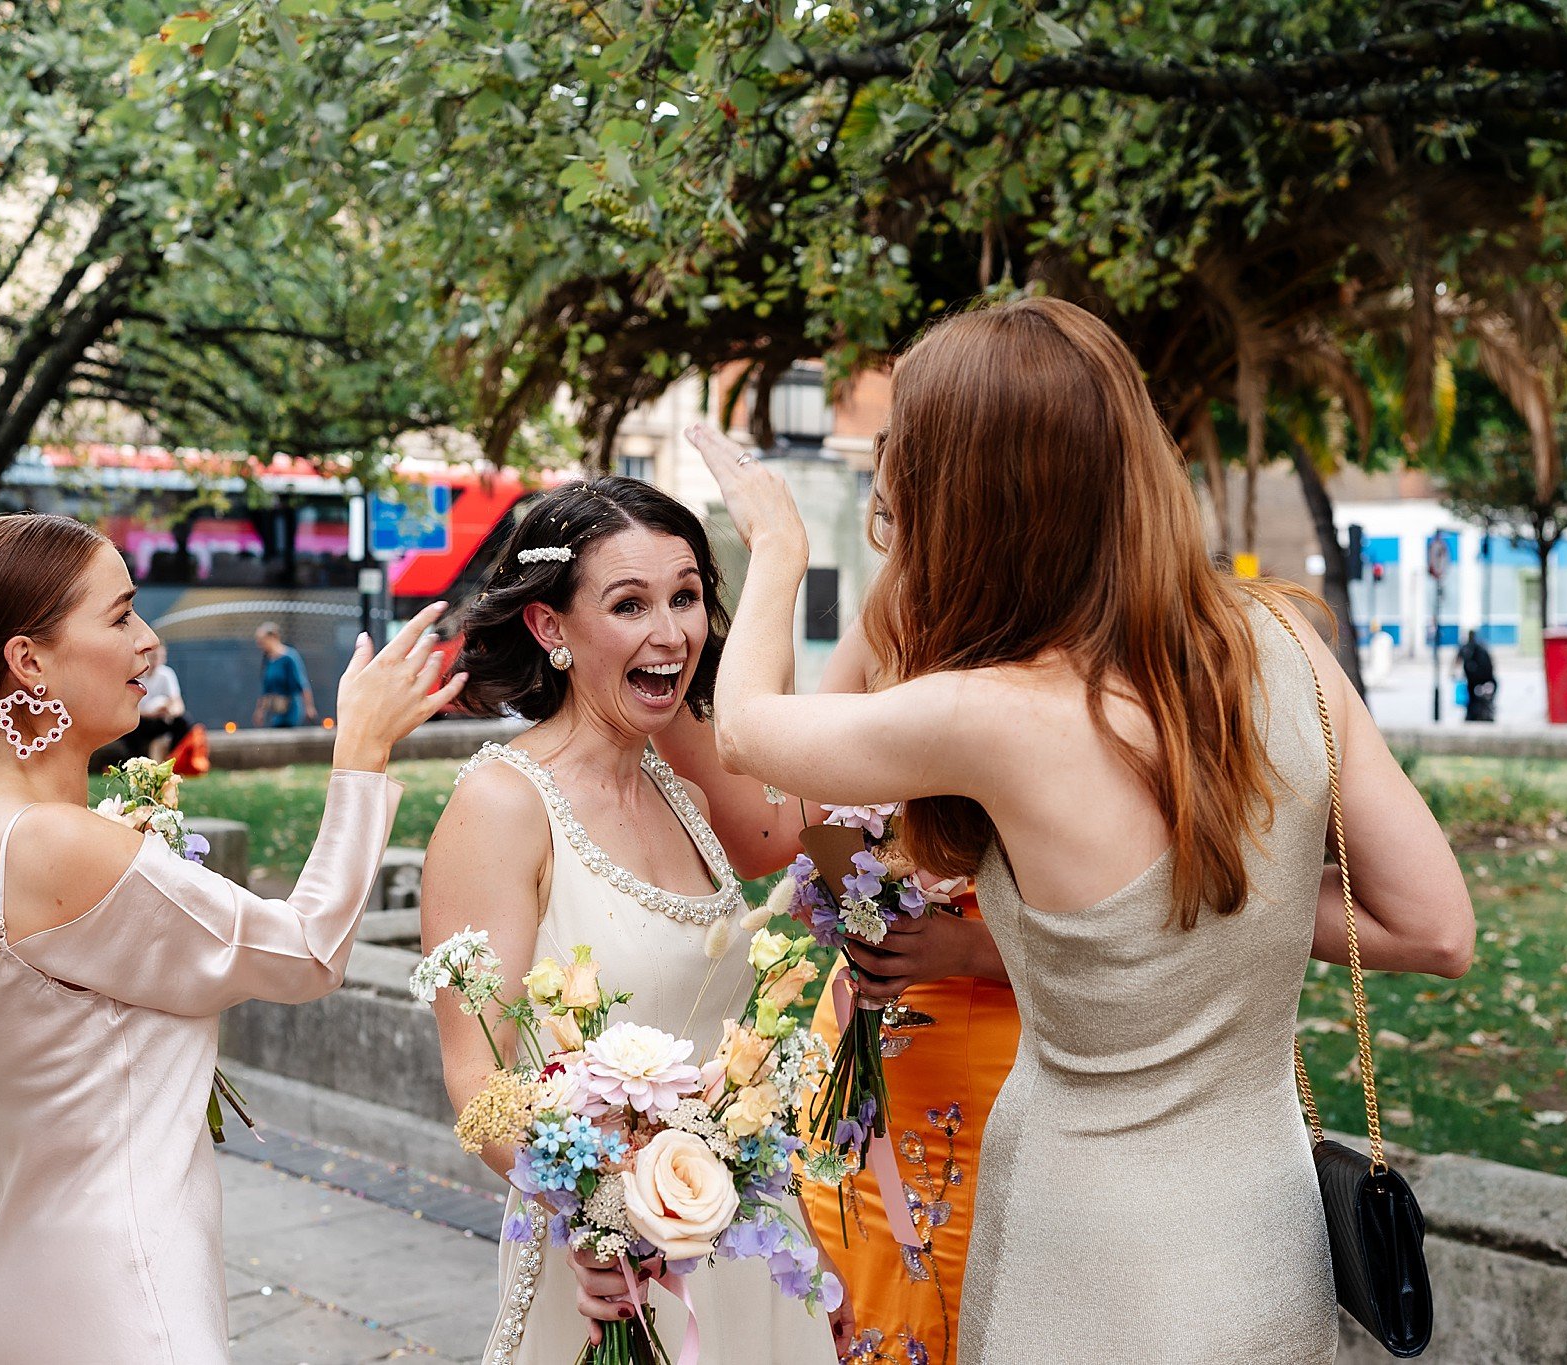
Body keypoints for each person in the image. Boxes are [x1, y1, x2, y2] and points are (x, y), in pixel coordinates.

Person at [691, 296, 1475, 1364]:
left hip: (1086, 1260)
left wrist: (776, 547)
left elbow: (743, 732)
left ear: (961, 496)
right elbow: (1436, 928)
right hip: (1266, 1240)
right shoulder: (1277, 639)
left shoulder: (997, 712)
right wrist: (1210, 923)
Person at [0, 513, 464, 1364]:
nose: (148, 643)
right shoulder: (53, 841)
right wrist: (362, 752)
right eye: (118, 617)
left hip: (12, 1289)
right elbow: (306, 952)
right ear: (27, 660)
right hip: (125, 1296)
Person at [420, 478, 848, 1364]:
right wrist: (601, 1215)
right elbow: (477, 1077)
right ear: (550, 629)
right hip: (609, 1273)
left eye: (686, 597)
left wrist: (805, 1248)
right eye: (629, 603)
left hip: (739, 1246)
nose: (671, 633)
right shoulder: (501, 804)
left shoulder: (683, 794)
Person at [659, 615, 1020, 1365]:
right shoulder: (888, 623)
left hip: (1000, 1047)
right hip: (858, 1048)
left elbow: (1144, 937)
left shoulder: (1073, 647)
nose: (899, 538)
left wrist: (969, 946)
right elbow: (778, 825)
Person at [130, 639, 192, 758]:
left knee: (183, 721)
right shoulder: (136, 675)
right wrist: (149, 713)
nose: (156, 661)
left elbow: (177, 703)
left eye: (161, 656)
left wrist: (171, 711)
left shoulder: (167, 674)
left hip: (161, 719)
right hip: (141, 720)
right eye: (153, 656)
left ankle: (173, 757)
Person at [252, 621, 316, 727]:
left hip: (291, 708)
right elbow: (266, 689)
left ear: (272, 637)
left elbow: (302, 683)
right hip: (276, 710)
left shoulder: (289, 657)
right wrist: (260, 711)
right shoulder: (268, 660)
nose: (260, 645)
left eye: (262, 641)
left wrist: (309, 707)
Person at [1457, 629, 1498, 722]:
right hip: (1483, 679)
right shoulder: (1480, 647)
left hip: (1474, 679)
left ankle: (1474, 713)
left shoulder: (1467, 648)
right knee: (1475, 697)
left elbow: (1457, 660)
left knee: (1473, 697)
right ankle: (1476, 713)